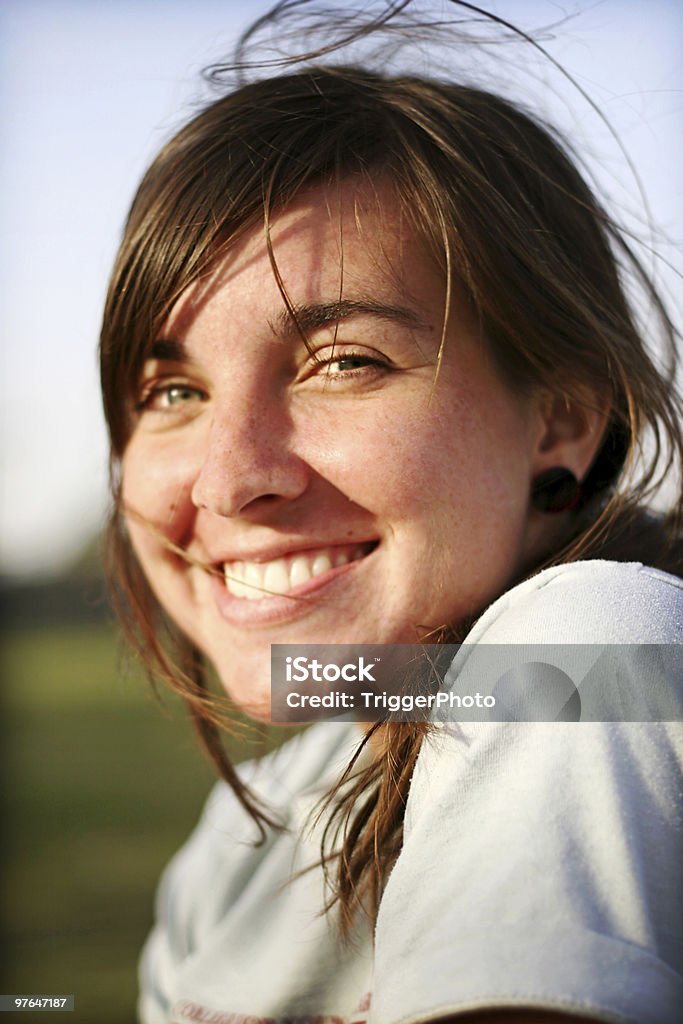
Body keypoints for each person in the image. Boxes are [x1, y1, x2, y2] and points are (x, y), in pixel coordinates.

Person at [99, 2, 683, 1021]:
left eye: (342, 362)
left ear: (562, 419)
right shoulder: (238, 846)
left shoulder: (592, 651)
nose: (226, 481)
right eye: (172, 393)